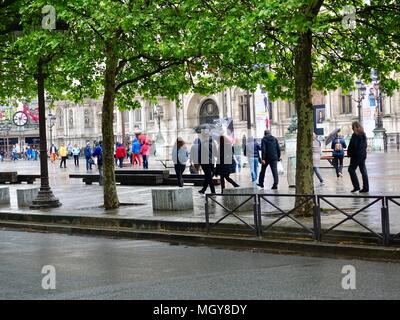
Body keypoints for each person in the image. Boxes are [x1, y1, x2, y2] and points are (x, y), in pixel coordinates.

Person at [347, 121, 369, 193]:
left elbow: (354, 146)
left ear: (354, 127)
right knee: (363, 171)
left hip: (356, 156)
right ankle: (366, 187)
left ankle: (356, 187)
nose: (352, 128)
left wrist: (350, 153)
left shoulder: (355, 135)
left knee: (351, 170)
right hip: (363, 155)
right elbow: (365, 145)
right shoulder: (363, 134)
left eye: (352, 127)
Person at [198, 131, 218, 195]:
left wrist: (199, 162)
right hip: (211, 161)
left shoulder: (202, 143)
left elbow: (199, 153)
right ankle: (203, 190)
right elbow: (215, 153)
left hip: (204, 162)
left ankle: (213, 191)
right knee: (208, 175)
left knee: (208, 176)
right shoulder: (213, 143)